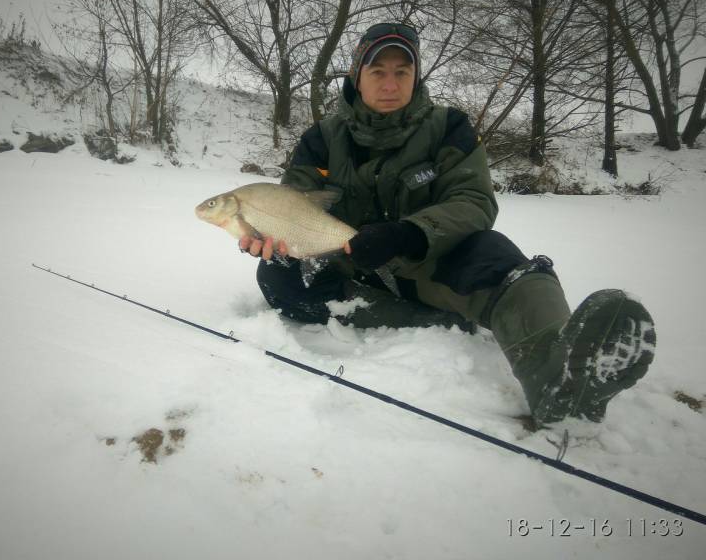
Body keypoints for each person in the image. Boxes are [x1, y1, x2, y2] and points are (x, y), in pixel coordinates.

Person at [239, 23, 655, 426]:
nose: (390, 84)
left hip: (428, 262)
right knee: (278, 275)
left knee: (495, 253)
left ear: (416, 76)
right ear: (356, 75)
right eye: (378, 72)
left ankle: (556, 374)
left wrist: (410, 233)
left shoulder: (449, 127)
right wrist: (268, 234)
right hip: (349, 264)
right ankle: (424, 322)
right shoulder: (320, 138)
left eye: (402, 72)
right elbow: (292, 204)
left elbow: (473, 201)